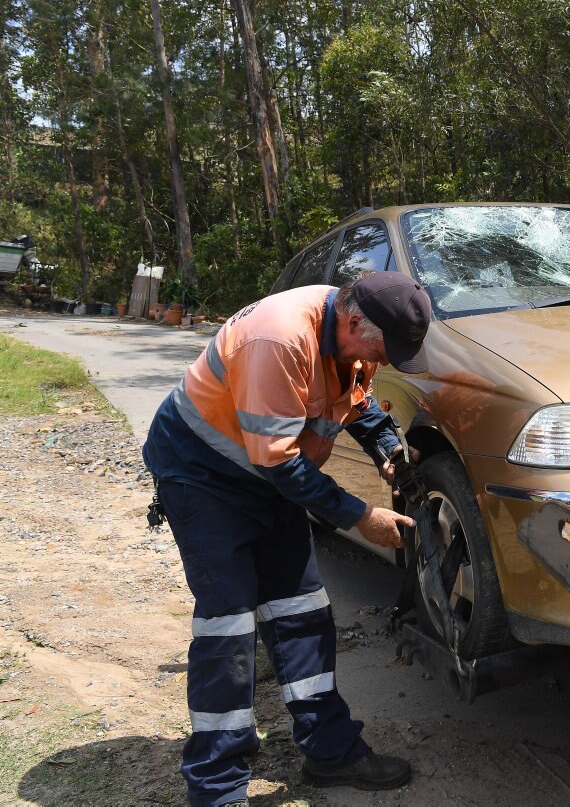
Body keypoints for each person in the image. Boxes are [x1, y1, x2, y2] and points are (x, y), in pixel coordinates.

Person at [142, 271, 431, 806]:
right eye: (384, 348)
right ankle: (216, 783)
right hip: (204, 478)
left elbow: (356, 399)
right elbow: (277, 461)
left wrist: (388, 448)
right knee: (227, 625)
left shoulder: (354, 335)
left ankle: (330, 750)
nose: (387, 360)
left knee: (302, 612)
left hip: (269, 473)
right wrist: (360, 516)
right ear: (352, 322)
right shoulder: (276, 340)